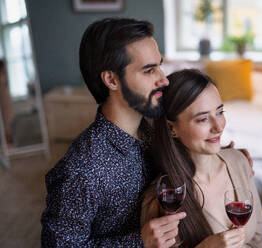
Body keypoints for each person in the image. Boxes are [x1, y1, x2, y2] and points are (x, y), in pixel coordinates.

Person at [41, 18, 186, 247]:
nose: (164, 79)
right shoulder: (82, 169)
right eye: (149, 70)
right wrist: (139, 242)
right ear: (111, 79)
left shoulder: (151, 132)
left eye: (160, 65)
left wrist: (222, 158)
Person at [141, 69, 262, 248]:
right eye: (202, 119)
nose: (218, 126)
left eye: (220, 112)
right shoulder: (164, 199)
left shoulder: (239, 161)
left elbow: (260, 239)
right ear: (171, 129)